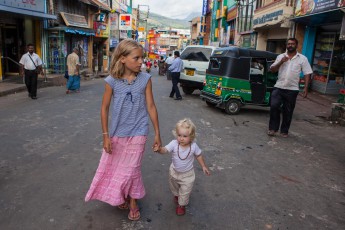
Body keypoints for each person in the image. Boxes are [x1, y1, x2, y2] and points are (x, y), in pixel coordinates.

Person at [85, 39, 162, 221]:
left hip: (139, 131)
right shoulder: (111, 81)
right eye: (136, 58)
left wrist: (157, 133)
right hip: (117, 133)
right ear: (122, 59)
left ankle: (133, 202)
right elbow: (104, 108)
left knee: (132, 168)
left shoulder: (145, 79)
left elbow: (151, 106)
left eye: (141, 58)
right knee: (119, 168)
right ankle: (122, 195)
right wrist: (105, 136)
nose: (141, 62)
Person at [153, 118, 210, 216]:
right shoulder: (174, 144)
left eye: (185, 136)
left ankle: (181, 205)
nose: (181, 138)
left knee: (185, 192)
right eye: (179, 135)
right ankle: (176, 195)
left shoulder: (194, 146)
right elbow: (165, 150)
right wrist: (159, 149)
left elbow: (199, 155)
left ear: (191, 137)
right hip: (174, 172)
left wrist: (204, 166)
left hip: (187, 175)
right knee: (174, 188)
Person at [268, 38, 313, 137]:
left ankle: (284, 131)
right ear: (286, 45)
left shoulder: (302, 58)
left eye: (292, 44)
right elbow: (272, 70)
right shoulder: (280, 56)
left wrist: (306, 88)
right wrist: (281, 62)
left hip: (292, 89)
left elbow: (307, 73)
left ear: (296, 45)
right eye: (288, 44)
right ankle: (273, 129)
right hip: (279, 87)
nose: (290, 45)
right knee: (274, 106)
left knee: (288, 111)